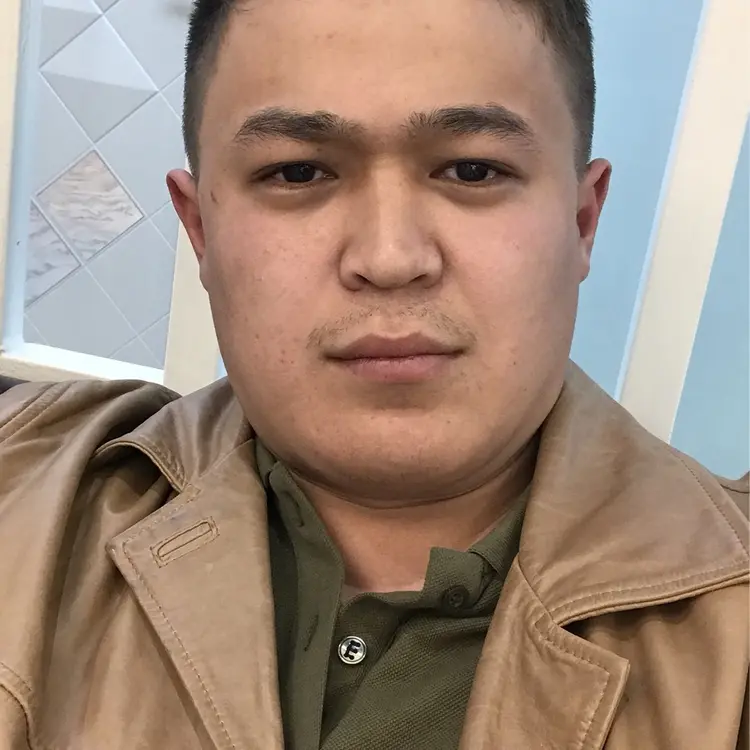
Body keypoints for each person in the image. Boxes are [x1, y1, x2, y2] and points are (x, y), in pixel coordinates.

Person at [0, 0, 747, 747]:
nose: (390, 259)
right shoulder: (26, 484)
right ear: (202, 230)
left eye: (473, 169)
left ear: (582, 221)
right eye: (298, 172)